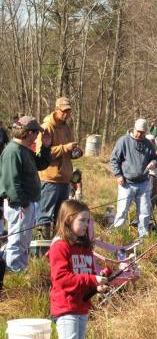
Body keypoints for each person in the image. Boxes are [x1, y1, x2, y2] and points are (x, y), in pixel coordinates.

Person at [39, 200, 109, 339]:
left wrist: (98, 286)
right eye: (83, 220)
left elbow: (87, 276)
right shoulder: (60, 246)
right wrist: (91, 280)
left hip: (81, 306)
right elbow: (61, 279)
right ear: (69, 220)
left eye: (88, 221)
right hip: (65, 306)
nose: (87, 225)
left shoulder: (84, 246)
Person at [0, 116, 51, 272]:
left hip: (27, 203)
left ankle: (20, 267)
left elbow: (41, 164)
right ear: (28, 132)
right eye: (36, 133)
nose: (37, 136)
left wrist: (46, 146)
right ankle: (14, 270)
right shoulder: (12, 151)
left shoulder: (25, 150)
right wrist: (23, 202)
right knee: (17, 239)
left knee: (24, 239)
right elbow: (10, 182)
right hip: (19, 205)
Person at [36, 97, 82, 239]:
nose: (67, 114)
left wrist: (75, 152)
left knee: (61, 217)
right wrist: (65, 148)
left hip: (65, 179)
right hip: (50, 179)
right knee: (45, 217)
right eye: (64, 111)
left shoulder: (66, 127)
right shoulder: (46, 127)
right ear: (56, 109)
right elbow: (41, 154)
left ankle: (57, 246)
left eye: (69, 111)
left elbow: (66, 152)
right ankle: (42, 249)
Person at [110, 118, 157, 238]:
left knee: (144, 212)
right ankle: (118, 236)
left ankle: (143, 236)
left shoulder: (148, 144)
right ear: (134, 128)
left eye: (143, 132)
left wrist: (153, 162)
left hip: (143, 183)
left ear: (146, 131)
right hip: (126, 183)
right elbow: (114, 160)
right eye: (138, 131)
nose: (140, 134)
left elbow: (154, 157)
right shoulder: (123, 141)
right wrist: (118, 175)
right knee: (122, 211)